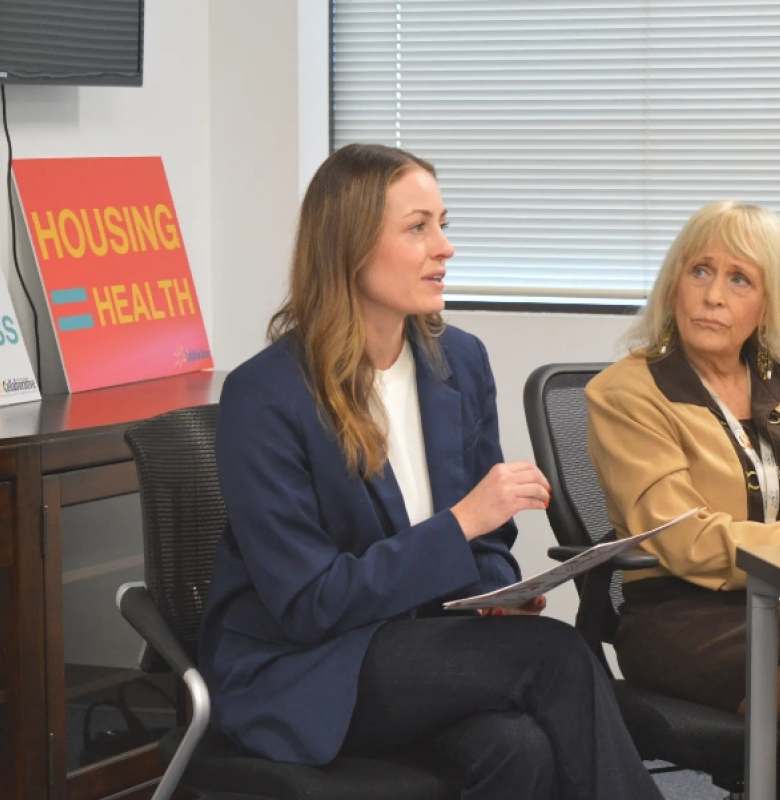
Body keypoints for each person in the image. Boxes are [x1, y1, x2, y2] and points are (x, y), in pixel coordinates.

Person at [199, 142, 663, 800]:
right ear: (349, 246)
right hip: (309, 666)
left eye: (444, 224)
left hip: (428, 648)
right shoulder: (268, 396)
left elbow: (490, 546)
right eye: (417, 228)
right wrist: (462, 523)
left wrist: (499, 597)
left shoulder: (460, 362)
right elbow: (309, 605)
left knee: (520, 747)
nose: (444, 248)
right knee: (556, 655)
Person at [586, 200, 780, 718]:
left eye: (740, 279)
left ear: (766, 304)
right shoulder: (626, 393)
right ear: (675, 284)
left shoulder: (773, 383)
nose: (713, 295)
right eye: (700, 271)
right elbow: (683, 539)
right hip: (683, 616)